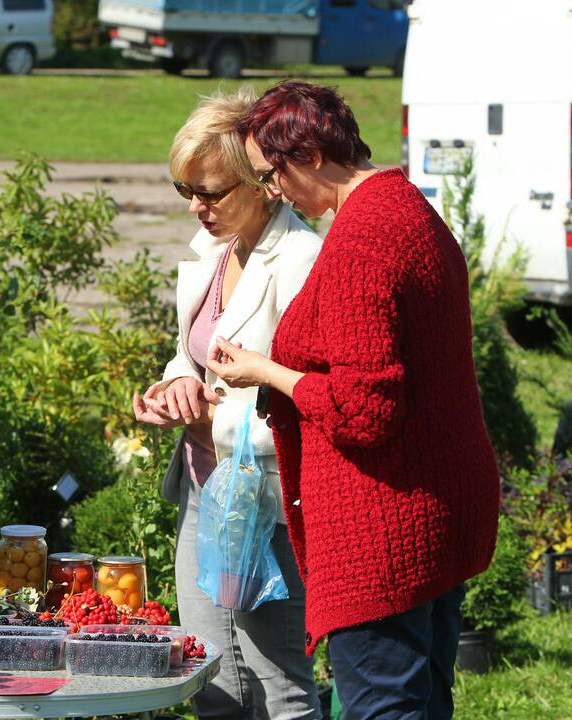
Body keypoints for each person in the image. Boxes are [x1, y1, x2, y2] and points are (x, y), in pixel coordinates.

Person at [207, 80, 500, 719]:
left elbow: (364, 410)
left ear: (310, 155)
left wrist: (270, 373)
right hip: (437, 502)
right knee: (424, 701)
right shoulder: (408, 208)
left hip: (386, 523)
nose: (271, 191)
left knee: (384, 706)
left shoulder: (362, 243)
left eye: (271, 174)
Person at [132, 89, 322, 720]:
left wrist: (215, 414)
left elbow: (311, 400)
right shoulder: (218, 248)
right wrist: (173, 388)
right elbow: (196, 354)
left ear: (264, 182)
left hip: (270, 496)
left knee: (278, 680)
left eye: (211, 191)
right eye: (186, 189)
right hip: (204, 485)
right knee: (210, 674)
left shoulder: (300, 260)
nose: (196, 207)